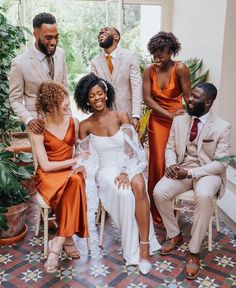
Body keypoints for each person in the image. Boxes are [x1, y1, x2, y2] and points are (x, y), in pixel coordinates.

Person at [74, 73, 160, 275]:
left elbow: (131, 149)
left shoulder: (122, 116)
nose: (97, 98)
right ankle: (132, 251)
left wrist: (124, 171)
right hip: (105, 171)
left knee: (139, 186)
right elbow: (84, 154)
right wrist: (80, 164)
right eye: (92, 95)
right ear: (86, 99)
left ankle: (145, 247)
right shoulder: (84, 125)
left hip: (127, 164)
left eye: (100, 93)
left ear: (106, 93)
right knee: (124, 194)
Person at [153, 83, 231, 280]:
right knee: (158, 191)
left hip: (207, 173)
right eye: (191, 95)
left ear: (208, 102)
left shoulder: (222, 127)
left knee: (204, 195)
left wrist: (189, 173)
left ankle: (194, 251)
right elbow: (170, 147)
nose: (190, 99)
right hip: (182, 167)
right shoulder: (180, 120)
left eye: (195, 97)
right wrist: (171, 165)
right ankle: (175, 234)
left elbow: (221, 163)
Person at [31, 82, 89, 273]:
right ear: (50, 106)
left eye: (66, 98)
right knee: (74, 182)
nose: (67, 103)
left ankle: (58, 241)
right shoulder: (38, 128)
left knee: (76, 180)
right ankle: (68, 238)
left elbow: (82, 151)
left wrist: (81, 164)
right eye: (61, 101)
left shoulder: (74, 122)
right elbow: (45, 165)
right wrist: (74, 162)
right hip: (48, 175)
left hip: (69, 173)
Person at [143, 31, 191, 224]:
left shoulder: (180, 69)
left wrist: (194, 119)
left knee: (173, 162)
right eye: (154, 53)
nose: (157, 57)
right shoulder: (149, 70)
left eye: (161, 52)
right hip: (158, 121)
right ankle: (156, 211)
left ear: (171, 51)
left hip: (178, 121)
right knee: (157, 163)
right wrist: (167, 114)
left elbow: (188, 97)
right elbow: (147, 98)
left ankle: (170, 207)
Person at [9, 12, 67, 135]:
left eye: (56, 37)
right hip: (38, 126)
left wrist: (68, 115)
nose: (54, 42)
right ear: (35, 34)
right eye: (48, 38)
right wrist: (29, 120)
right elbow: (15, 99)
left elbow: (64, 87)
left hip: (62, 119)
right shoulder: (19, 63)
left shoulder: (61, 53)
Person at [91, 26, 142, 131]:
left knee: (128, 146)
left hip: (127, 113)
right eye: (100, 32)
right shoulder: (95, 62)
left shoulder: (130, 57)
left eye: (106, 31)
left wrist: (135, 115)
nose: (101, 32)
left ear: (116, 37)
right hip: (105, 116)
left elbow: (137, 87)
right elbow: (94, 89)